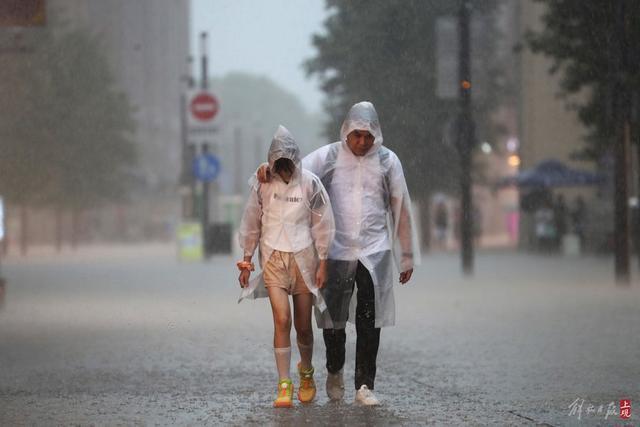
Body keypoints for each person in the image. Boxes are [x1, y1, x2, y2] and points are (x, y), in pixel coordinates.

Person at [258, 102, 420, 405]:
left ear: (376, 135)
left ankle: (364, 385)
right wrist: (268, 170)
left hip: (374, 250)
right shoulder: (328, 156)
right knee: (333, 320)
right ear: (347, 131)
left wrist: (406, 255)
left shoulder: (387, 161)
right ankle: (334, 370)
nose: (362, 141)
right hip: (335, 249)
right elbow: (294, 174)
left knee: (369, 317)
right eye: (357, 135)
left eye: (368, 136)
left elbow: (401, 206)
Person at [237, 125, 335, 408]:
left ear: (295, 159)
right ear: (271, 160)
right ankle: (284, 384)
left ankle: (306, 372)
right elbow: (251, 222)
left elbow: (323, 224)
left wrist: (323, 262)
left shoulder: (310, 184)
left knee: (303, 326)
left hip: (304, 259)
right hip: (272, 260)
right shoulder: (263, 183)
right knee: (282, 319)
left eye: (287, 162)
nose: (283, 168)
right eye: (277, 162)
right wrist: (246, 260)